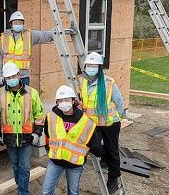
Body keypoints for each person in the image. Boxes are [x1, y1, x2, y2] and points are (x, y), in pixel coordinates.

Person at [41, 86, 102, 195]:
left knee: (73, 193)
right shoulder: (51, 117)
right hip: (55, 161)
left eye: (67, 100)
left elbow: (94, 144)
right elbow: (48, 134)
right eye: (60, 100)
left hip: (74, 164)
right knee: (46, 191)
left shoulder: (86, 121)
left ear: (73, 101)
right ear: (57, 102)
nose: (63, 103)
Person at [0, 62, 45, 195]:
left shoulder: (32, 93)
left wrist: (37, 133)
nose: (11, 79)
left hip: (27, 136)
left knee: (24, 166)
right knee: (15, 165)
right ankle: (20, 184)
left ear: (18, 74)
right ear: (5, 79)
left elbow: (39, 115)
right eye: (8, 77)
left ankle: (23, 192)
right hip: (9, 137)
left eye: (13, 76)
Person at [80, 52, 125, 194]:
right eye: (89, 65)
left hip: (110, 123)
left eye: (94, 65)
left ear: (99, 67)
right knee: (93, 146)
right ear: (85, 66)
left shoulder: (108, 83)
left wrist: (120, 116)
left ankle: (113, 179)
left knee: (113, 152)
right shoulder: (82, 81)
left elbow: (119, 102)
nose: (91, 67)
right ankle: (104, 157)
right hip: (93, 123)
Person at [0, 11, 54, 86]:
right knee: (8, 97)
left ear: (23, 24)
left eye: (20, 23)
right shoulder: (4, 37)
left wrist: (58, 33)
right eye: (16, 23)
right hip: (8, 76)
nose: (18, 25)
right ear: (11, 24)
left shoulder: (30, 35)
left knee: (24, 97)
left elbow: (44, 35)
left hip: (23, 76)